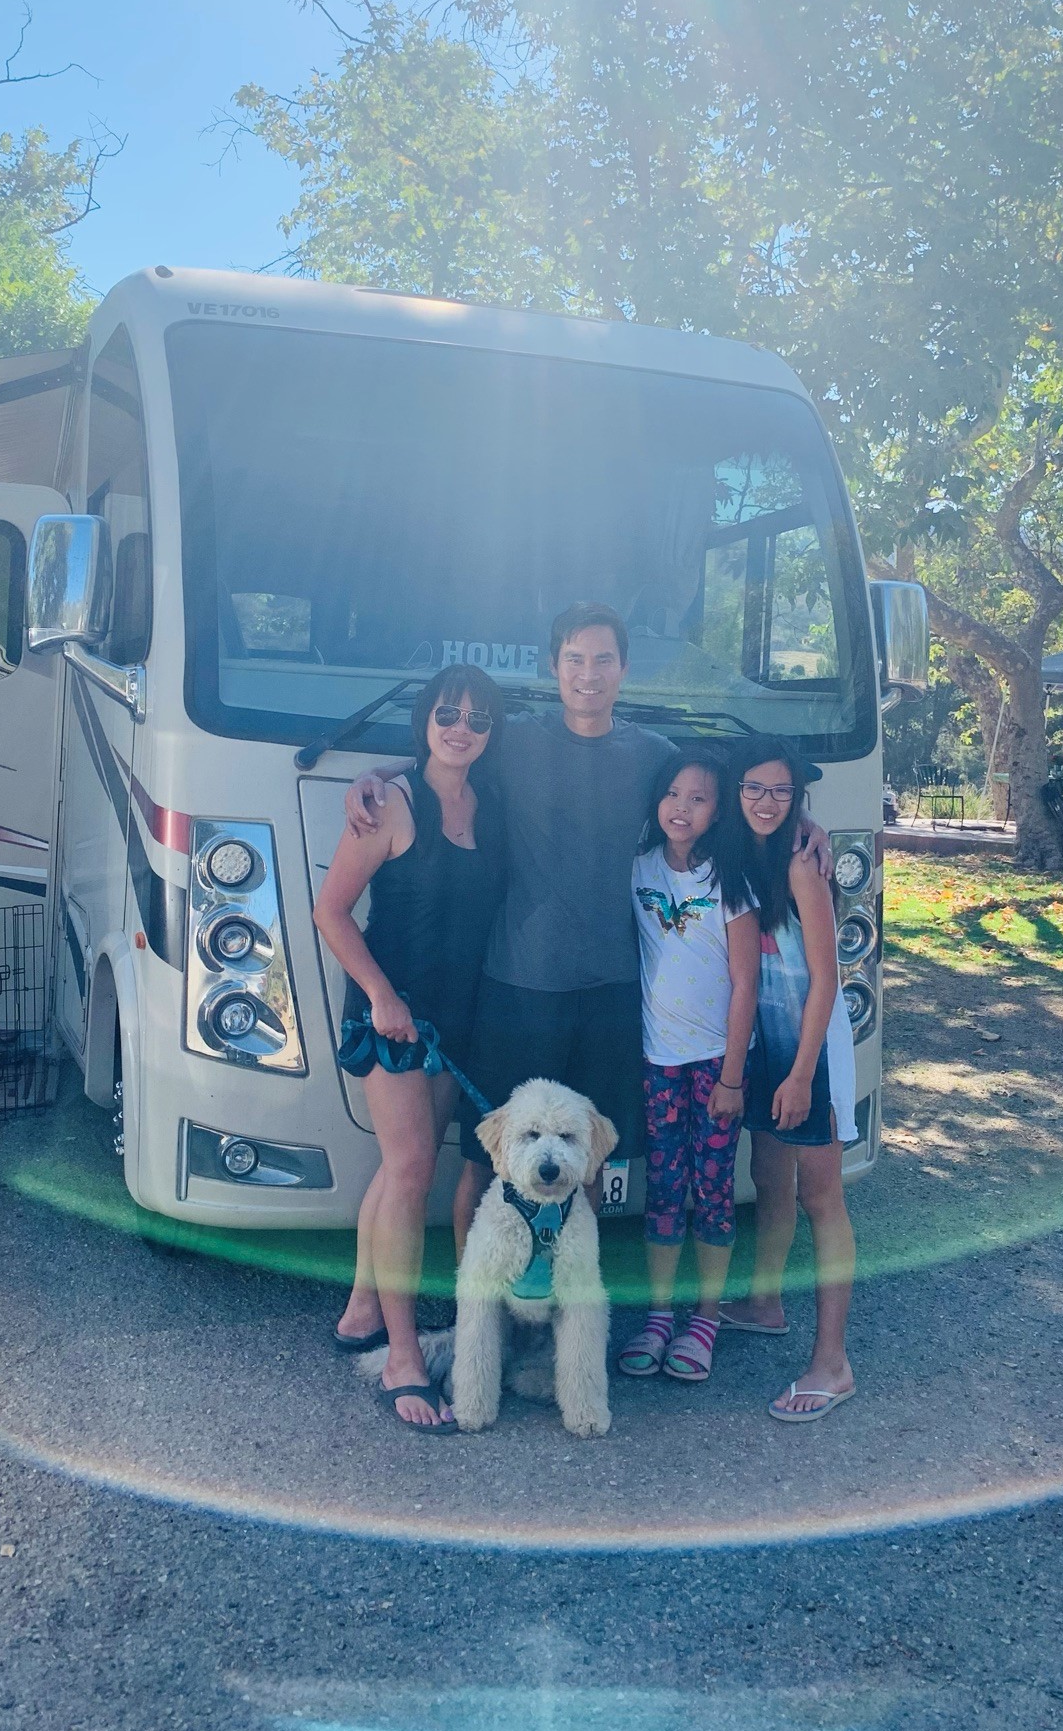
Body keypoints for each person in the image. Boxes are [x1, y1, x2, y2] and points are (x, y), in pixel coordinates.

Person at [344, 602, 832, 1246]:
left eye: (604, 659)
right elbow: (446, 759)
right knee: (488, 1166)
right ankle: (479, 1317)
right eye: (575, 659)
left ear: (625, 669)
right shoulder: (514, 739)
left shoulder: (653, 754)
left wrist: (801, 817)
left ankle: (564, 1306)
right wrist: (374, 775)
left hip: (611, 993)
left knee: (586, 1163)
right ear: (554, 667)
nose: (589, 673)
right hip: (515, 989)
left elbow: (722, 795)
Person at [312, 665, 505, 1432]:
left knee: (402, 1169)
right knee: (414, 1170)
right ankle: (400, 1356)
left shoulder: (490, 804)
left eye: (477, 718)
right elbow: (331, 913)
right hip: (390, 1017)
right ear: (426, 717)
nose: (461, 727)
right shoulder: (389, 806)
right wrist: (383, 996)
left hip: (456, 1018)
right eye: (447, 713)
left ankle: (362, 1309)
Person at [718, 736, 860, 1423]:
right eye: (754, 788)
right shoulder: (744, 854)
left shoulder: (803, 867)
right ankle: (764, 1301)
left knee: (820, 1198)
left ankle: (832, 1363)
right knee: (770, 1178)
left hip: (811, 1047)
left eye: (781, 791)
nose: (766, 802)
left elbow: (827, 980)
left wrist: (804, 1074)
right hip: (769, 1042)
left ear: (796, 798)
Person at [617, 751, 760, 1384]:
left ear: (717, 809)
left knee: (714, 1190)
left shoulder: (730, 878)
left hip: (716, 1066)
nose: (681, 806)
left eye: (697, 798)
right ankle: (658, 1315)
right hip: (659, 1061)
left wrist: (732, 1076)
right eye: (672, 793)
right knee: (665, 1189)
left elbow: (745, 981)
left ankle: (704, 1318)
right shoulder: (638, 869)